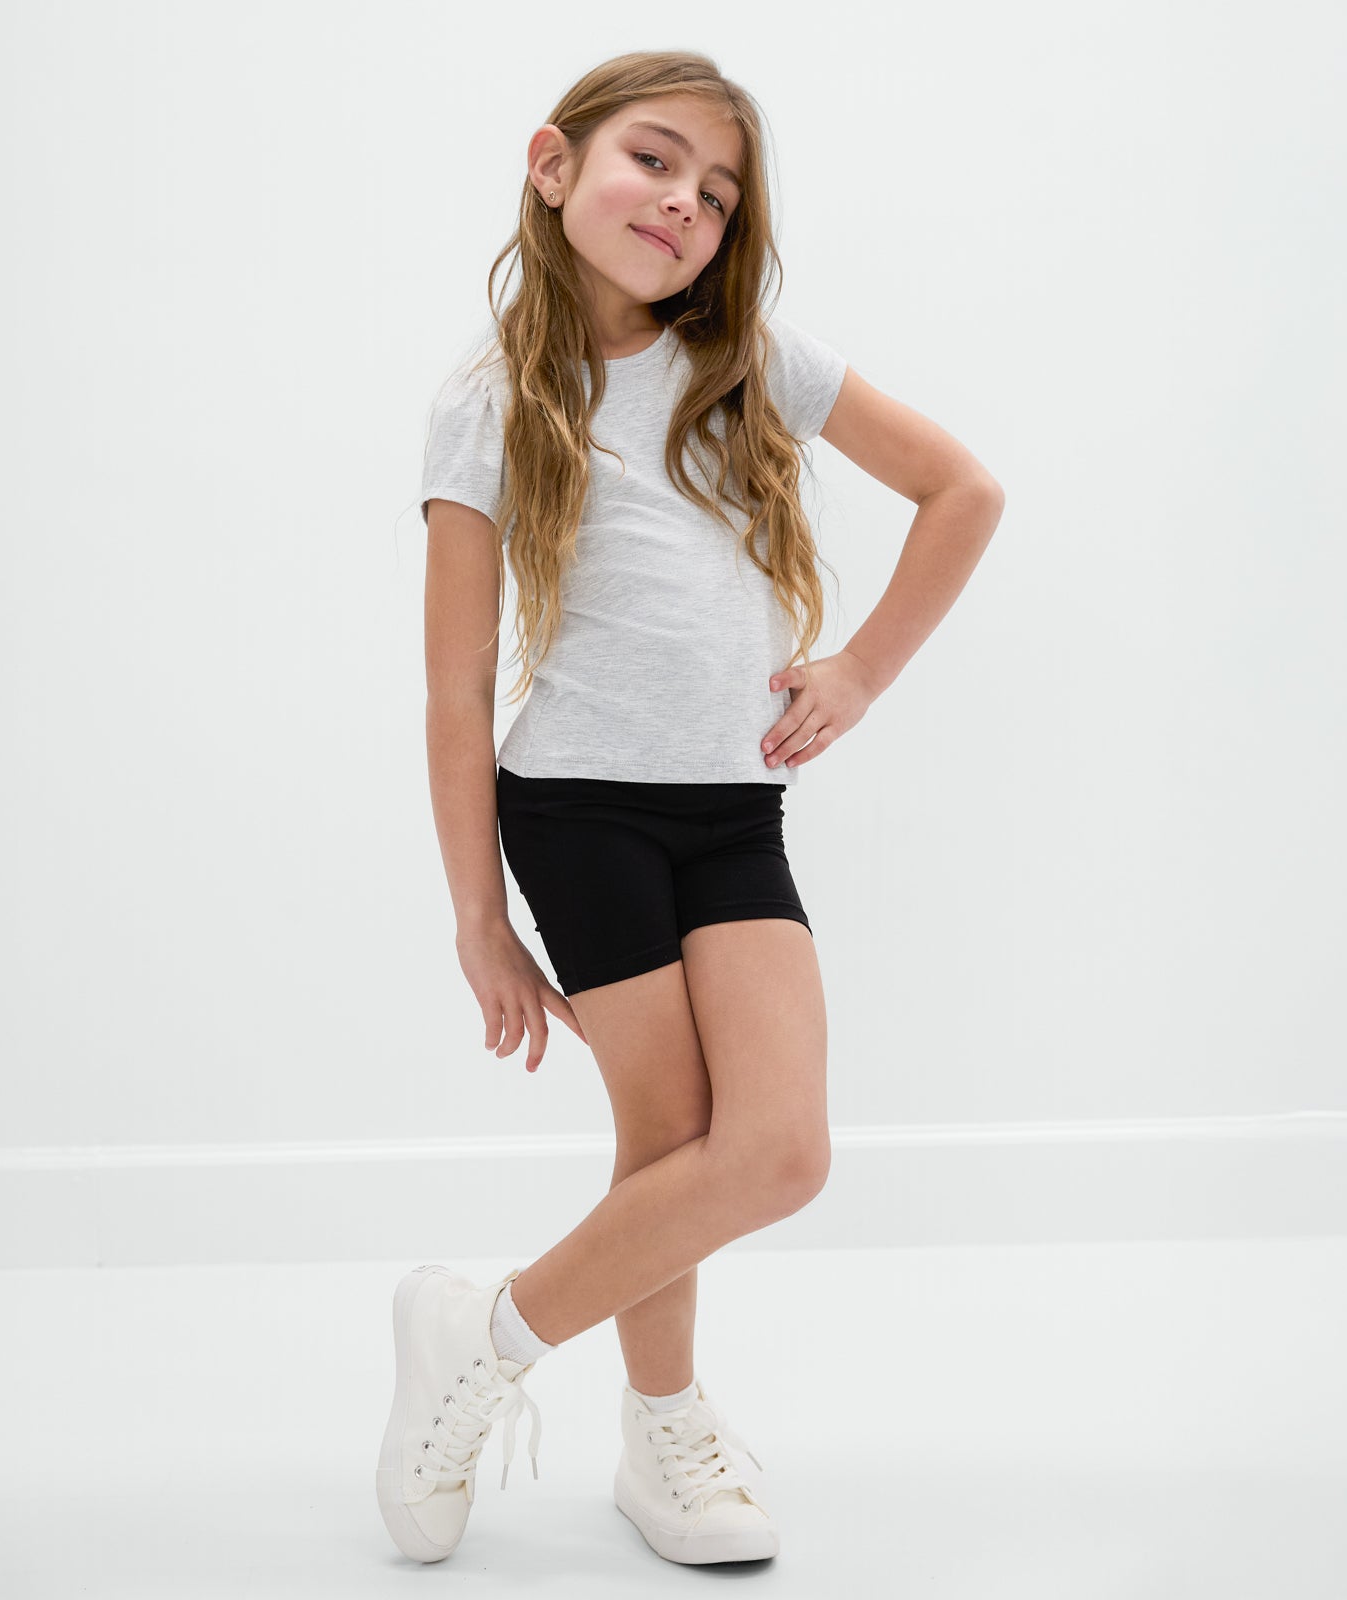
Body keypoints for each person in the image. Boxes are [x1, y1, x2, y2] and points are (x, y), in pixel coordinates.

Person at [376, 49, 1005, 1568]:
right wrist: (479, 922)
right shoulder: (487, 405)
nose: (684, 205)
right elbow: (457, 691)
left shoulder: (753, 363)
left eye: (717, 194)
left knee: (777, 1149)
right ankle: (666, 1436)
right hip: (577, 811)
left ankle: (485, 1335)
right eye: (654, 162)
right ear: (553, 165)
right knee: (667, 1140)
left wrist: (862, 666)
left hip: (732, 813)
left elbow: (963, 490)